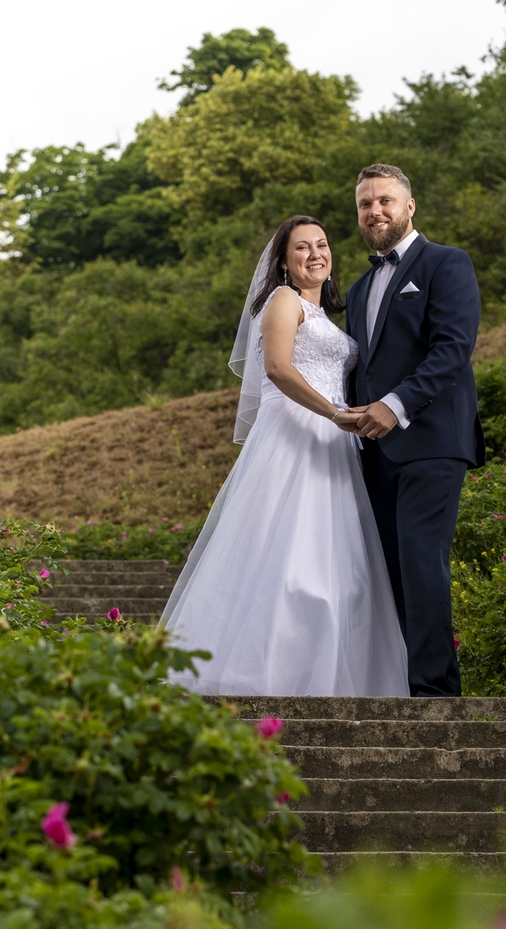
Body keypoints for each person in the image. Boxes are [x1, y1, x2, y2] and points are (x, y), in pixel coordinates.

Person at [160, 215, 408, 698]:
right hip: (297, 432)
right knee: (289, 557)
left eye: (322, 244)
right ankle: (266, 674)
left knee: (338, 561)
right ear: (284, 261)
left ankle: (331, 675)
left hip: (334, 444)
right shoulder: (283, 301)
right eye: (301, 248)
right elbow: (276, 367)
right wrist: (334, 413)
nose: (316, 253)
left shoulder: (324, 315)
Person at [341, 164, 485, 697]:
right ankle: (401, 688)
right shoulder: (358, 290)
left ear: (409, 206)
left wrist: (394, 405)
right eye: (364, 204)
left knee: (423, 562)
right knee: (389, 572)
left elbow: (452, 349)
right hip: (374, 452)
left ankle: (436, 696)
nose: (374, 211)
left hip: (431, 440)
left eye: (384, 200)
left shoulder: (447, 263)